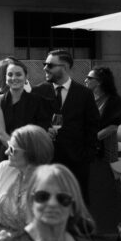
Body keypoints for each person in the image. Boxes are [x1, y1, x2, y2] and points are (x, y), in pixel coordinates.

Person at [32, 49, 100, 203]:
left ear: (64, 67)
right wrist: (43, 130)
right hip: (46, 160)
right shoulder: (37, 91)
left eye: (49, 65)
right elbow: (31, 121)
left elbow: (93, 124)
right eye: (45, 64)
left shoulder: (84, 93)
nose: (45, 68)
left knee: (76, 204)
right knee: (46, 203)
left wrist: (87, 154)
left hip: (76, 161)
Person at [84, 66, 121, 233]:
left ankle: (115, 225)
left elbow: (112, 127)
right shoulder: (88, 98)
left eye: (90, 78)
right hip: (89, 150)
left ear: (100, 82)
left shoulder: (113, 100)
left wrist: (92, 138)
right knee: (92, 189)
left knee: (109, 188)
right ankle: (95, 226)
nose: (86, 80)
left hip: (104, 151)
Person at [0, 59, 50, 169]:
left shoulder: (37, 101)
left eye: (18, 74)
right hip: (5, 154)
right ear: (5, 78)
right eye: (10, 74)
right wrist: (18, 153)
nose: (14, 78)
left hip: (31, 157)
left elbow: (41, 130)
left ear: (26, 77)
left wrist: (27, 155)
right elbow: (0, 133)